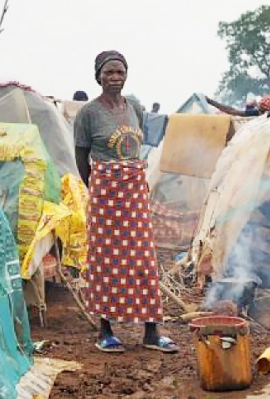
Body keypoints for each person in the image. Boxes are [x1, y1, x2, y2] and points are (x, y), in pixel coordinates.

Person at [74, 50, 179, 354]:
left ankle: (151, 331)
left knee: (143, 259)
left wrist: (131, 183)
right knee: (107, 260)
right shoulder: (88, 114)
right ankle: (105, 330)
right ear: (98, 76)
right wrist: (98, 187)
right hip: (106, 194)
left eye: (120, 72)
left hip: (134, 190)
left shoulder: (135, 107)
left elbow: (136, 149)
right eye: (109, 73)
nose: (115, 78)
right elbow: (82, 157)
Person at [206, 94, 270, 117]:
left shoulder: (256, 114)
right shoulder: (255, 113)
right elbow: (232, 111)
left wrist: (210, 101)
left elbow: (232, 111)